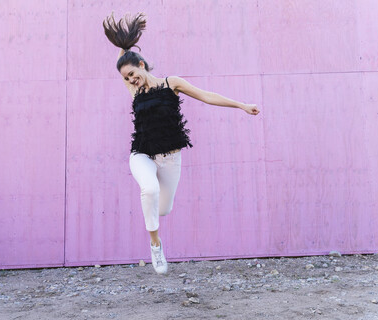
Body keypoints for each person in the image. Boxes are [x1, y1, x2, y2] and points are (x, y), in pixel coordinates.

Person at [103, 13, 260, 274]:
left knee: (163, 208)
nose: (130, 80)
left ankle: (156, 224)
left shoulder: (171, 84)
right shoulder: (134, 91)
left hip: (170, 158)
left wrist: (242, 105)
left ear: (142, 65)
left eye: (132, 73)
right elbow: (124, 59)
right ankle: (155, 245)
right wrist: (123, 44)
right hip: (141, 153)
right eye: (125, 78)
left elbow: (206, 96)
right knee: (149, 190)